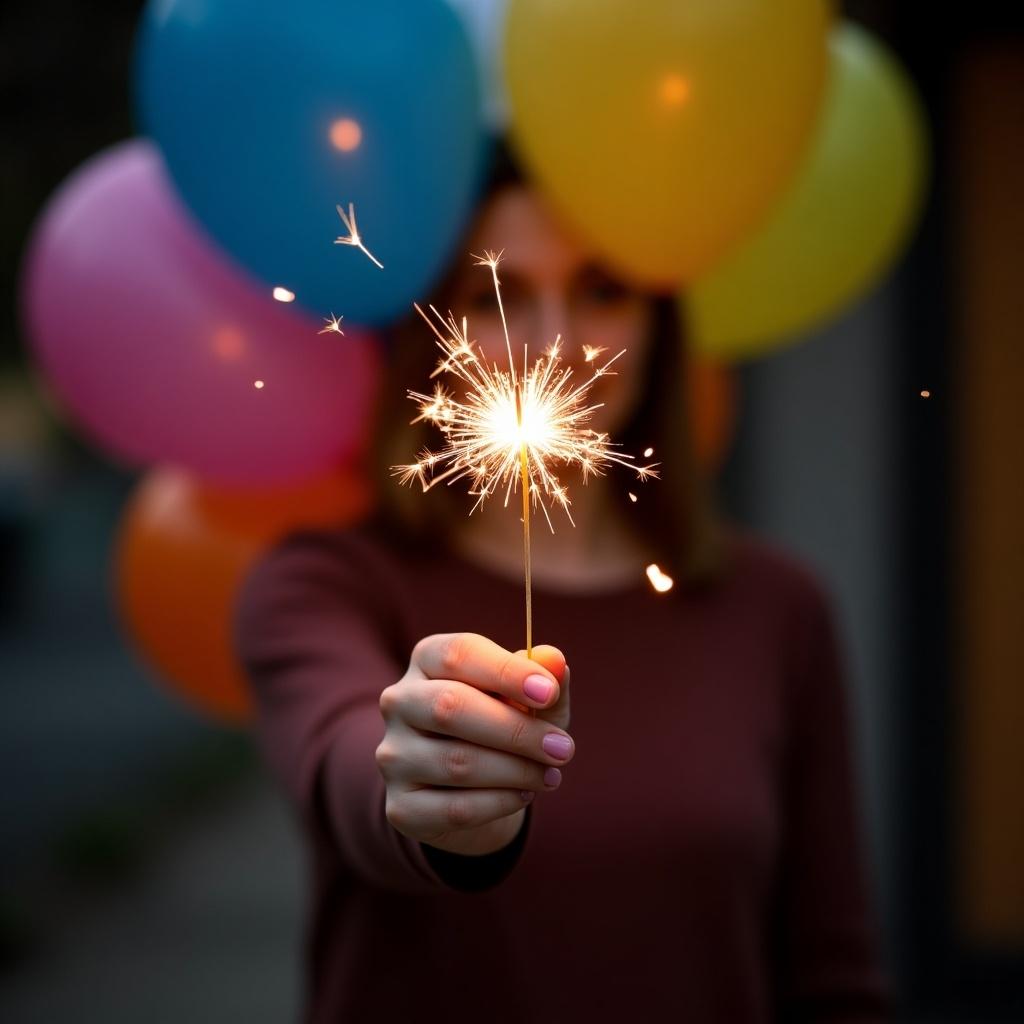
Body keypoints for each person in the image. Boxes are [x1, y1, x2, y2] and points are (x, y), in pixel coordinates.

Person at [233, 141, 892, 1022]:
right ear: (435, 329)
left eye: (601, 290)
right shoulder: (326, 585)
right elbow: (346, 765)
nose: (555, 345)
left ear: (662, 324)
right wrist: (435, 792)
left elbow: (830, 977)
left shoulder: (778, 610)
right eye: (496, 296)